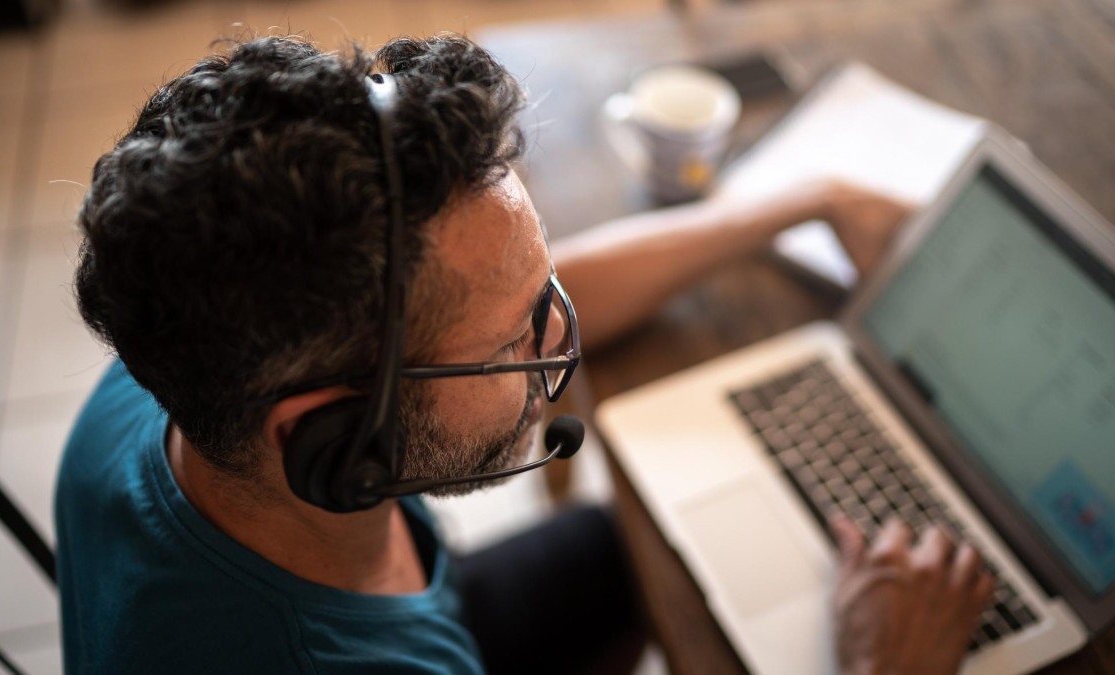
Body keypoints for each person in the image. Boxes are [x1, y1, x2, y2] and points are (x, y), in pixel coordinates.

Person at [56, 33, 994, 675]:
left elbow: (469, 303)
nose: (561, 331)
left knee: (624, 544)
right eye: (517, 339)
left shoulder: (196, 350)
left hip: (422, 593)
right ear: (331, 437)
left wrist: (802, 201)